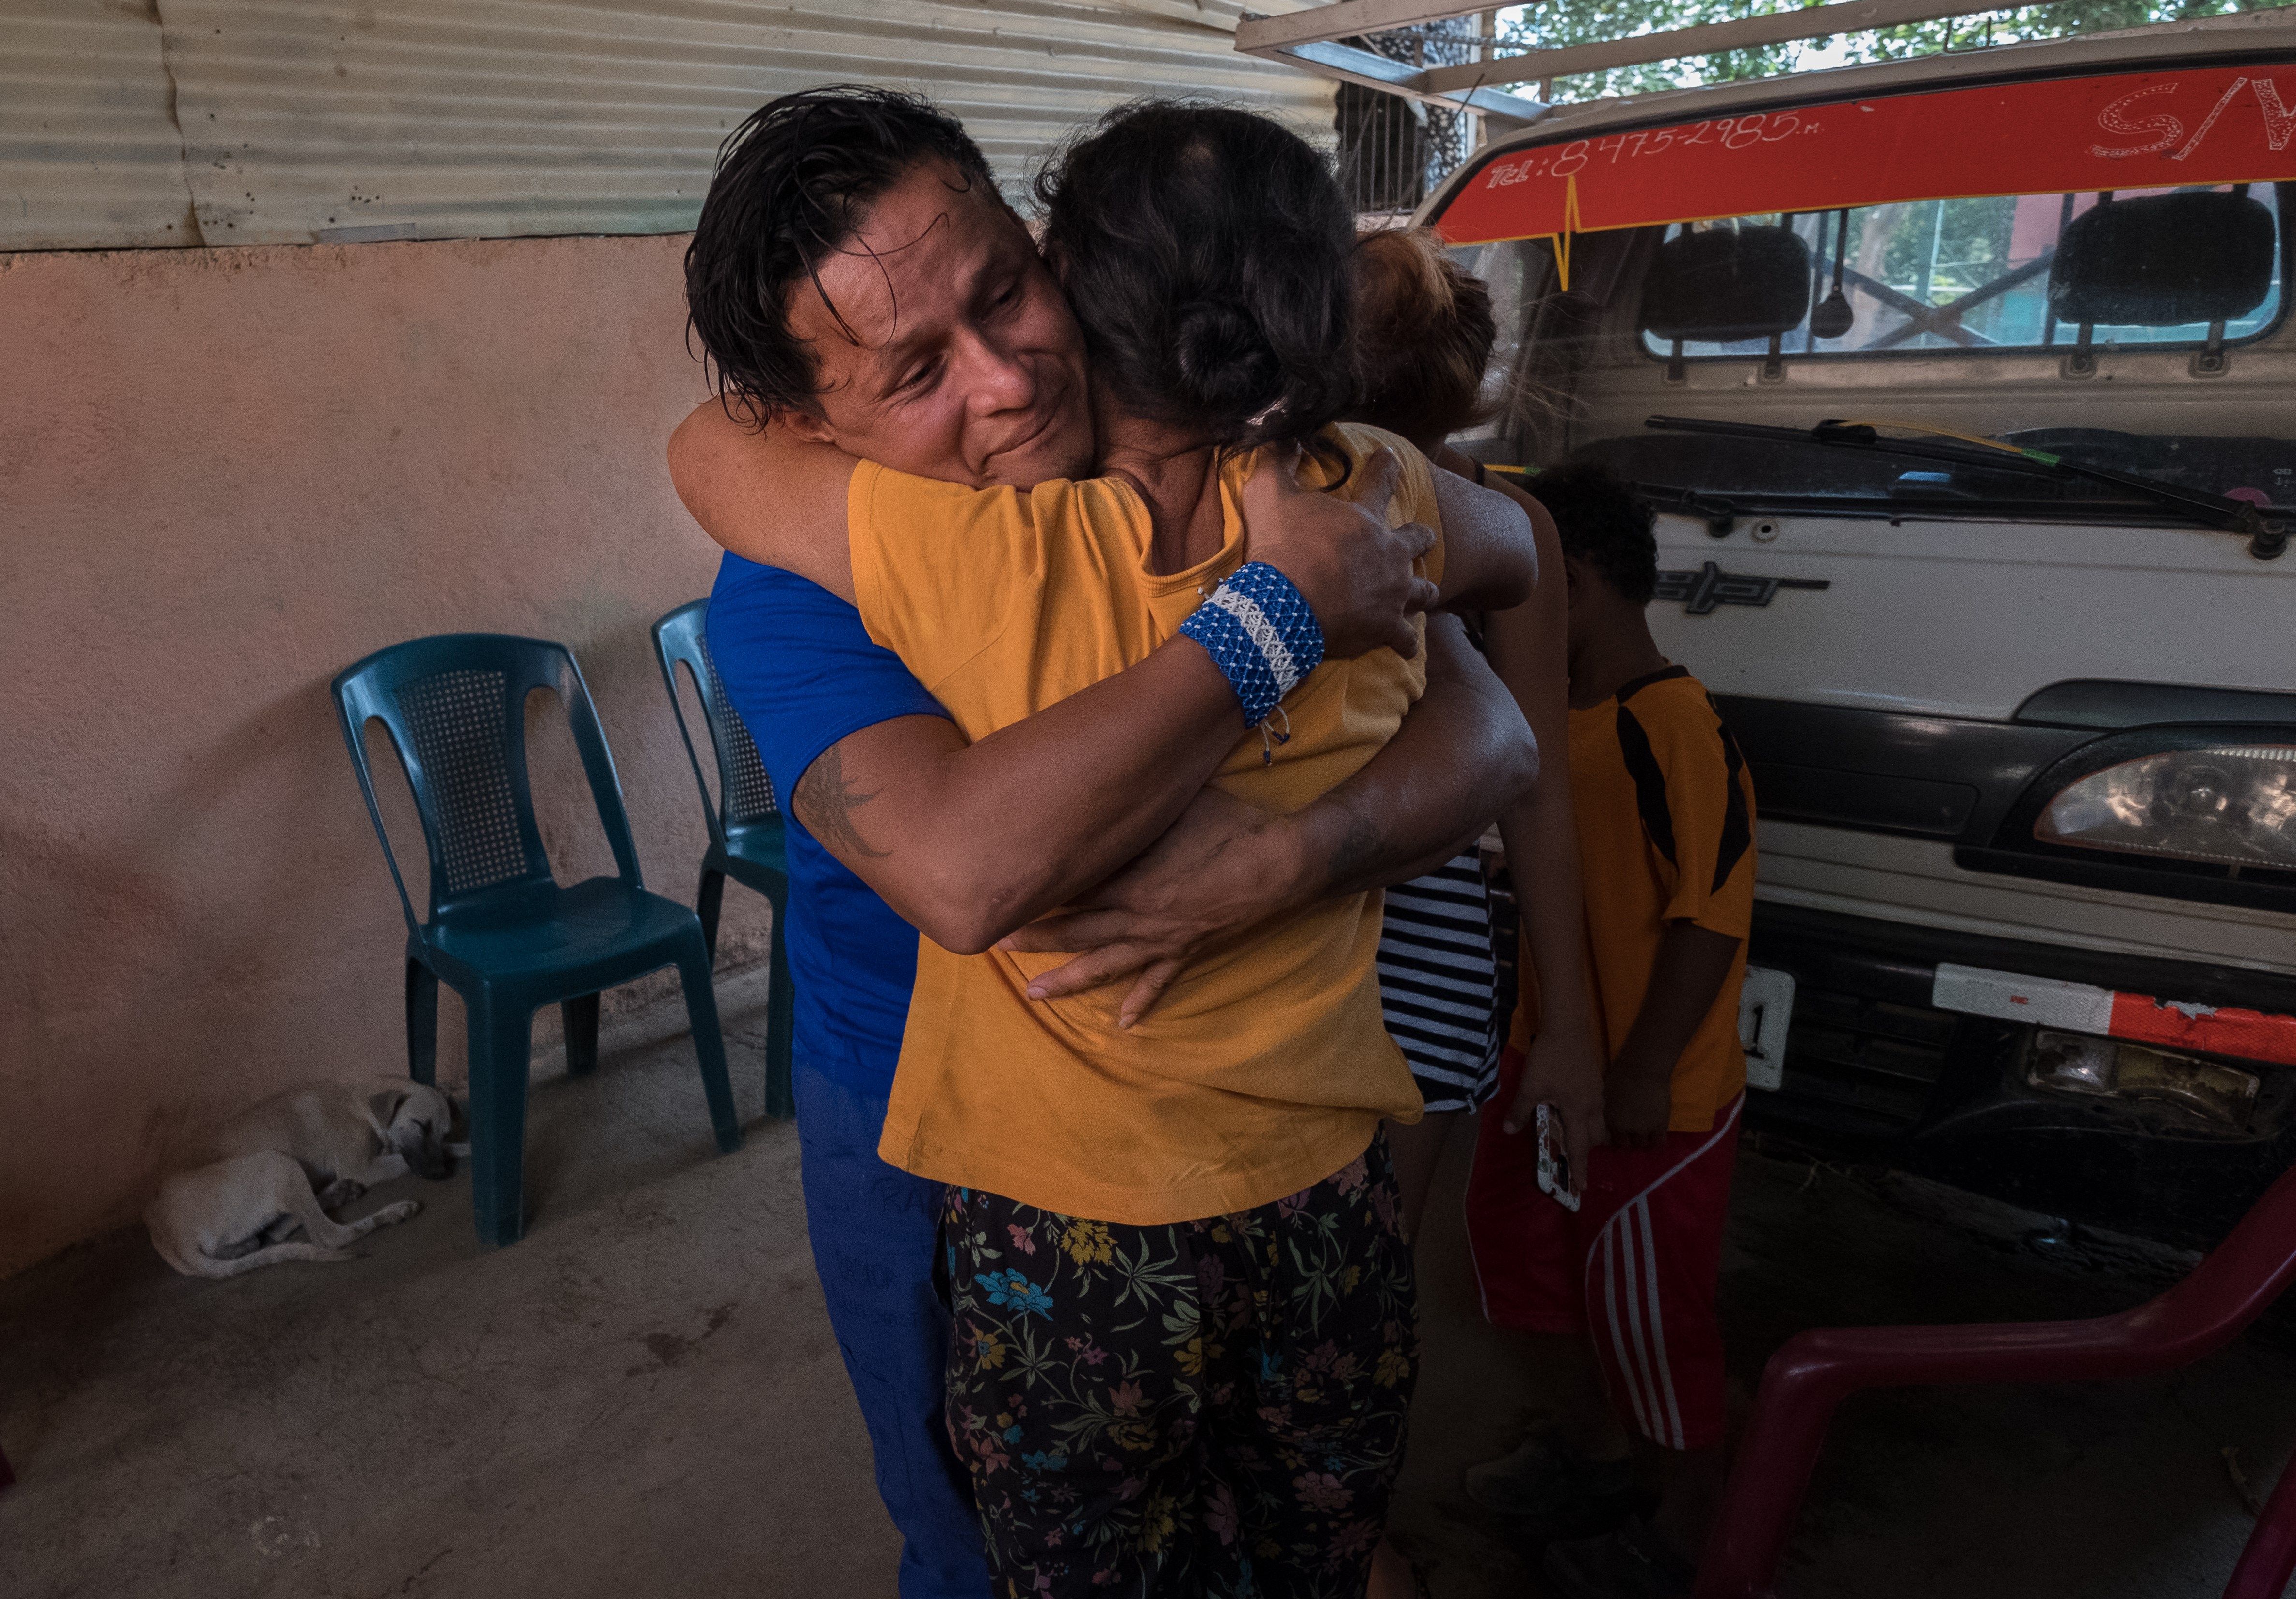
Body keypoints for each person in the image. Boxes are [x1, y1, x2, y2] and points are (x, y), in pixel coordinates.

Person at [673, 88, 1543, 1597]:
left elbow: (1497, 727)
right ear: (811, 427)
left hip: (1269, 1143)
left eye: (1007, 290)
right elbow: (962, 876)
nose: (1010, 379)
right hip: (937, 1129)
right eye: (917, 370)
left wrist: (1292, 855)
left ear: (1045, 243)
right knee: (983, 1545)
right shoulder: (804, 585)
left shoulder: (1263, 473)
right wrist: (1273, 620)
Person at [1337, 230, 1612, 1599]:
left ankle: (1344, 1537)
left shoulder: (1498, 530)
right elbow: (1544, 797)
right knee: (1353, 1279)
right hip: (1367, 950)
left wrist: (1565, 1023)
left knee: (1340, 1279)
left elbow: (1540, 788)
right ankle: (1345, 1534)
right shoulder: (1493, 517)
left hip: (1396, 949)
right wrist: (1561, 1019)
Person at [1456, 465, 1758, 1599]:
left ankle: (1691, 1529)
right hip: (1553, 1068)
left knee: (1651, 1314)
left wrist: (1644, 1065)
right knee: (1553, 1275)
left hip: (1653, 1098)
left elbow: (1710, 914)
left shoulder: (1671, 724)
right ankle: (1590, 1455)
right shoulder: (1564, 724)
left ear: (1567, 585)